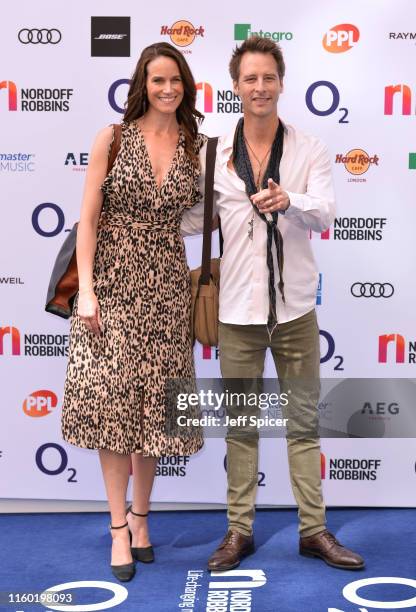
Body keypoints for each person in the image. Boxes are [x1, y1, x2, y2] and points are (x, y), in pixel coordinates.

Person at [181, 36, 364, 571]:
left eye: (268, 78)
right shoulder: (212, 149)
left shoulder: (310, 148)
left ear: (281, 83)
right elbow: (196, 218)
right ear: (235, 87)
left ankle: (314, 530)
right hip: (236, 312)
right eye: (250, 79)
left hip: (295, 311)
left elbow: (326, 214)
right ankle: (239, 531)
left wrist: (292, 200)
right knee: (240, 427)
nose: (260, 87)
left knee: (304, 425)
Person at [61, 42, 205, 582]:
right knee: (114, 409)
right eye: (156, 80)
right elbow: (88, 221)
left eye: (175, 81)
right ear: (141, 84)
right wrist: (89, 291)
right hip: (113, 285)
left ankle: (143, 521)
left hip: (168, 284)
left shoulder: (197, 145)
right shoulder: (113, 138)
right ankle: (117, 526)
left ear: (186, 86)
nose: (166, 89)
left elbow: (207, 214)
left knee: (156, 415)